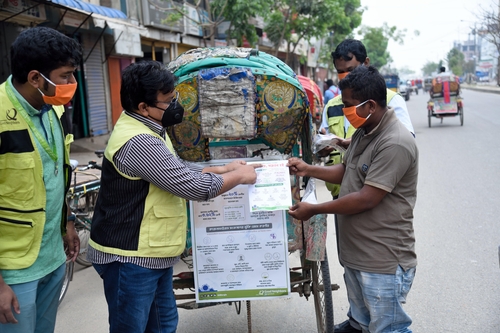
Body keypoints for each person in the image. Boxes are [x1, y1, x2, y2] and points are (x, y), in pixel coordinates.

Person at [88, 60, 260, 333]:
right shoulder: (139, 141)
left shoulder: (150, 128)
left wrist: (224, 167)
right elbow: (192, 186)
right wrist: (239, 177)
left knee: (164, 325)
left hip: (153, 253)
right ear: (143, 107)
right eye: (168, 101)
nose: (175, 105)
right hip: (130, 258)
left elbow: (174, 168)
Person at [288, 65, 418, 333]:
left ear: (370, 105)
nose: (345, 110)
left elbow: (366, 198)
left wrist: (314, 209)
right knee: (359, 324)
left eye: (349, 105)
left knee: (388, 328)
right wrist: (308, 168)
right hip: (357, 255)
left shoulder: (394, 142)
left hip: (381, 259)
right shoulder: (364, 131)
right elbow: (348, 173)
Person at [0, 27, 82, 332]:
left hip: (51, 257)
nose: (72, 84)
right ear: (36, 77)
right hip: (14, 270)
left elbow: (56, 173)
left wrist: (69, 221)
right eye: (65, 76)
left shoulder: (53, 110)